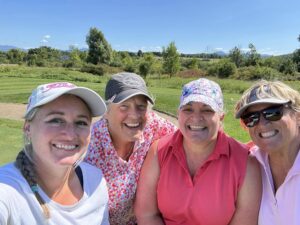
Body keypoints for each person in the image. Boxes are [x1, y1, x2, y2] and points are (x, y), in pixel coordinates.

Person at [135, 78, 261, 225]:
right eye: (188, 109)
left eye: (207, 110)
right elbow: (147, 214)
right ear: (179, 113)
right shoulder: (159, 151)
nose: (196, 118)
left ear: (220, 117)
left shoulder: (246, 163)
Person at [0, 82, 110, 225]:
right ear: (28, 128)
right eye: (56, 120)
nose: (70, 135)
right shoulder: (7, 188)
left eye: (81, 122)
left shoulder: (95, 180)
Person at [85, 72, 177, 225]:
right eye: (124, 106)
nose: (134, 115)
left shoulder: (153, 125)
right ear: (106, 111)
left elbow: (189, 138)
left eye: (141, 106)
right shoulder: (89, 146)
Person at [235, 80, 300, 225]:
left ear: (298, 116)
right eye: (251, 118)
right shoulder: (249, 164)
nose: (262, 124)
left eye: (273, 113)